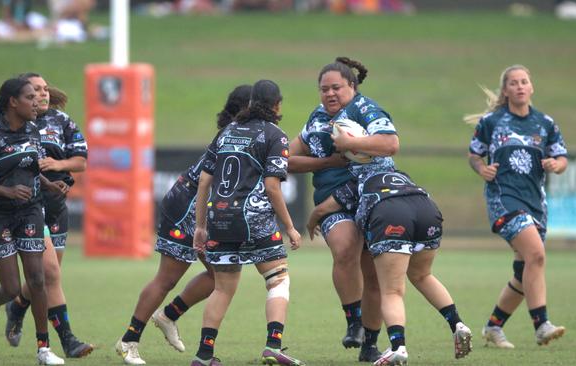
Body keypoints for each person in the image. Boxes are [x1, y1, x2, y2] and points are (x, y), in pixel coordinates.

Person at [115, 84, 252, 365]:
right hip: (187, 206)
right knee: (167, 278)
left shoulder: (243, 133)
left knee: (220, 276)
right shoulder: (233, 135)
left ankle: (168, 315)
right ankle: (128, 340)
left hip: (199, 207)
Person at [288, 56, 396, 362]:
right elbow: (283, 160)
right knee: (345, 248)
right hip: (333, 200)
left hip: (372, 197)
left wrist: (354, 142)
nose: (330, 94)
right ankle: (354, 321)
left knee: (373, 275)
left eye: (336, 87)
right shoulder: (317, 118)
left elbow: (390, 144)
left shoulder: (366, 110)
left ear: (352, 86)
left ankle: (371, 342)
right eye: (324, 89)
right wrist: (325, 162)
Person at [307, 168, 473, 365]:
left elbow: (322, 209)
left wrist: (311, 222)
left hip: (392, 214)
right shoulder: (400, 173)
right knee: (423, 276)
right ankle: (458, 324)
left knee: (391, 290)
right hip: (427, 209)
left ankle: (398, 347)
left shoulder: (357, 180)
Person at [191, 79, 303, 366]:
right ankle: (273, 345)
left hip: (220, 219)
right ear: (277, 104)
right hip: (254, 220)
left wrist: (201, 226)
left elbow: (205, 180)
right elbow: (272, 186)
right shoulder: (275, 135)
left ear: (251, 104)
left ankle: (204, 355)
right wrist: (289, 226)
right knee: (277, 279)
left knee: (222, 288)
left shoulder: (227, 131)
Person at [465, 64, 568, 348]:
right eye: (514, 82)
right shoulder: (492, 121)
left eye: (524, 81)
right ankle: (541, 325)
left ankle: (493, 327)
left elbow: (561, 158)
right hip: (504, 200)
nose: (520, 86)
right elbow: (475, 155)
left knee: (524, 274)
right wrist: (481, 169)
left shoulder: (545, 123)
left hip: (536, 202)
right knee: (536, 254)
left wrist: (555, 165)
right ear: (506, 90)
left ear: (531, 88)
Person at [3, 72, 93, 359]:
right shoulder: (17, 124)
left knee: (42, 278)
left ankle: (17, 305)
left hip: (56, 206)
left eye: (44, 89)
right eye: (34, 91)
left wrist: (59, 164)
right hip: (30, 206)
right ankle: (66, 340)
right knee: (50, 273)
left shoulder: (61, 121)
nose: (42, 94)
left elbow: (80, 161)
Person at [0, 77, 68, 365]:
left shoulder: (34, 129)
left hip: (30, 210)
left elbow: (32, 166)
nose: (37, 101)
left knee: (37, 279)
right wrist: (6, 191)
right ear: (13, 102)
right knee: (12, 289)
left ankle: (43, 349)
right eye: (29, 97)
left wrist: (48, 184)